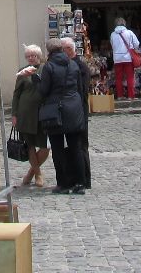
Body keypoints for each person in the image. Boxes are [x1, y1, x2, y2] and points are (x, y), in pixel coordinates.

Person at [36, 38, 87, 195]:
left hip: (55, 110)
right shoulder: (73, 64)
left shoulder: (49, 67)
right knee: (75, 147)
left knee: (58, 148)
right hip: (73, 108)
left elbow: (43, 91)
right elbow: (79, 87)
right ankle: (80, 183)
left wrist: (35, 80)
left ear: (49, 51)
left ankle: (63, 184)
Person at [9, 45, 50, 188]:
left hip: (42, 113)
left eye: (34, 55)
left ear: (39, 56)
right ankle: (38, 174)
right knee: (30, 145)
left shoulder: (46, 69)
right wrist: (14, 114)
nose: (31, 58)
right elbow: (16, 94)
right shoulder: (22, 71)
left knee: (45, 148)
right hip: (25, 113)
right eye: (29, 56)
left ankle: (30, 173)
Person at [61, 36, 92, 190]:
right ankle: (74, 178)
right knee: (73, 147)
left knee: (81, 146)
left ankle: (85, 179)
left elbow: (82, 91)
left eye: (62, 49)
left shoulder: (80, 67)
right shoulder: (68, 66)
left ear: (69, 49)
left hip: (79, 111)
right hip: (73, 111)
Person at [110, 17, 140, 100]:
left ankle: (120, 95)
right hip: (128, 58)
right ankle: (131, 96)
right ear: (124, 23)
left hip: (117, 58)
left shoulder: (113, 34)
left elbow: (112, 45)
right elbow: (136, 43)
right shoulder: (129, 32)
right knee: (130, 77)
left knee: (118, 78)